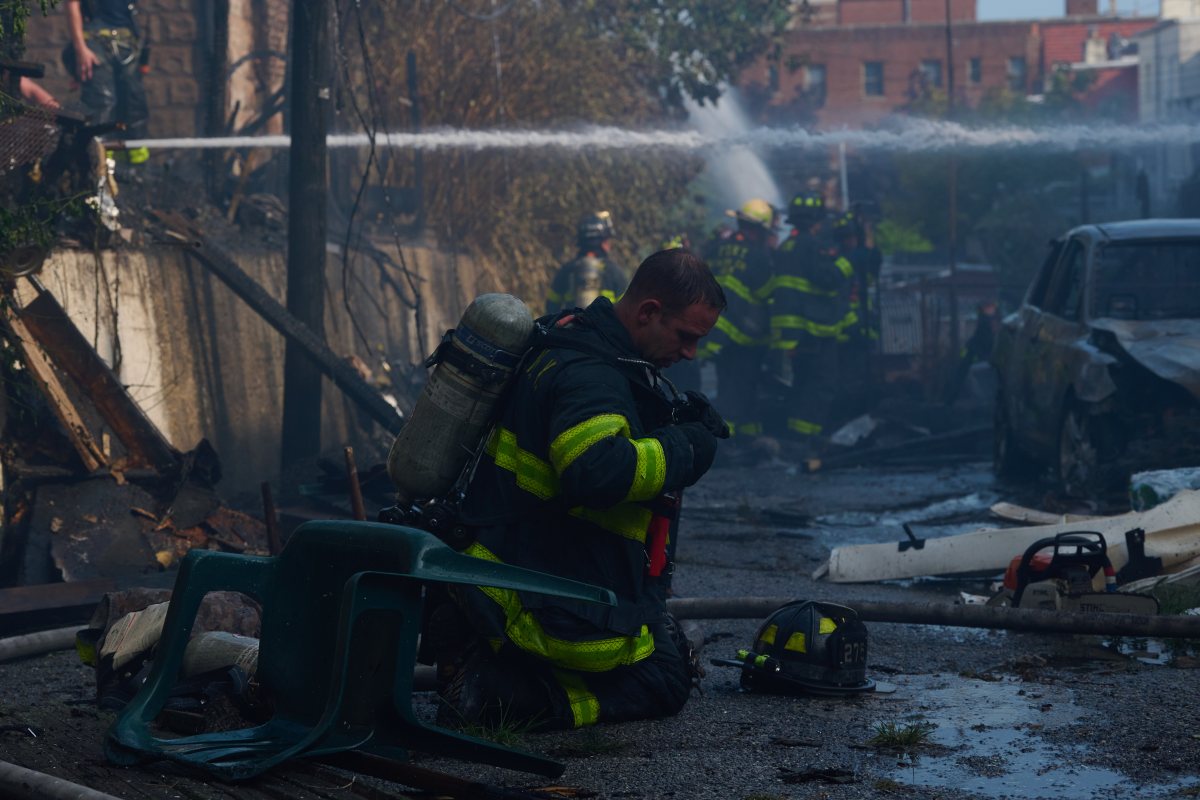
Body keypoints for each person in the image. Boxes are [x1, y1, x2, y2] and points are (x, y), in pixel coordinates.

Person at [440, 249, 728, 731]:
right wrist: (687, 447)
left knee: (661, 639)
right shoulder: (592, 374)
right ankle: (505, 696)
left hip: (514, 567)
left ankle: (477, 646)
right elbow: (598, 473)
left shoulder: (573, 334)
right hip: (545, 600)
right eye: (685, 336)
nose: (689, 353)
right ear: (648, 311)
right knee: (664, 677)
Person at [760, 191, 854, 452]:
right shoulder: (812, 246)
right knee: (822, 383)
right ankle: (806, 438)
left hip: (793, 330)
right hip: (813, 328)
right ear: (816, 221)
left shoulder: (787, 245)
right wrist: (848, 262)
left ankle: (794, 436)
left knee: (802, 383)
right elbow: (826, 278)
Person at [701, 198, 775, 439]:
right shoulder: (757, 256)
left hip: (715, 330)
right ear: (760, 229)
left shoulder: (718, 248)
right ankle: (725, 441)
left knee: (734, 386)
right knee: (739, 390)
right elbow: (768, 295)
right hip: (744, 335)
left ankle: (748, 437)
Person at [64, 0, 150, 164]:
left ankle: (136, 166)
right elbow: (72, 4)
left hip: (126, 42)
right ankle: (97, 162)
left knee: (134, 102)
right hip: (95, 42)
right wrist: (80, 49)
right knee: (101, 102)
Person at [547, 211, 627, 312]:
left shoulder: (566, 271)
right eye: (607, 240)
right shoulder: (615, 272)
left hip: (571, 327)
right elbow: (626, 311)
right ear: (603, 243)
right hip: (603, 327)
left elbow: (551, 307)